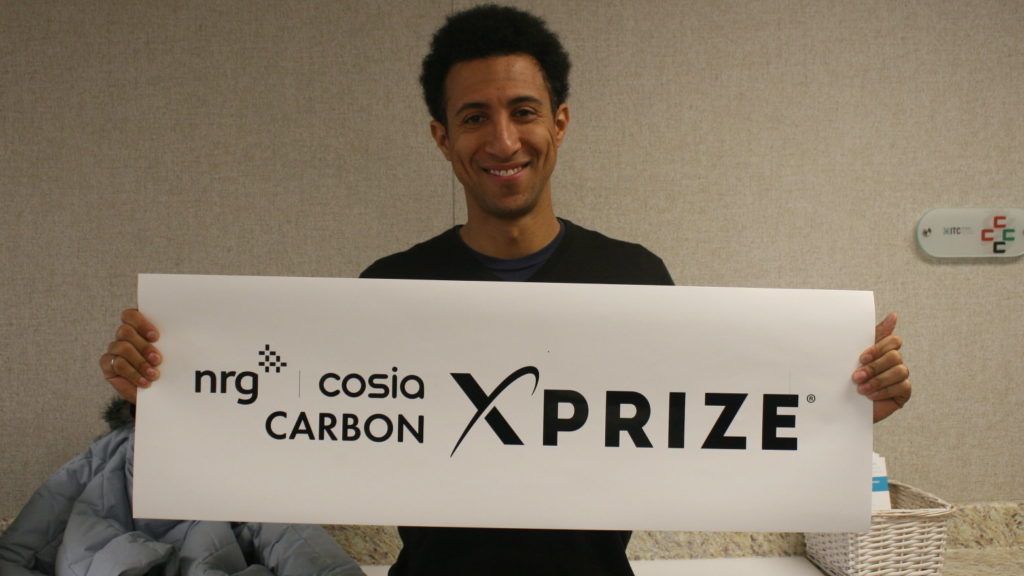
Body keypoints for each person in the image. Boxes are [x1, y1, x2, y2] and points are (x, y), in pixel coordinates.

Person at [100, 5, 912, 575]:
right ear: (441, 137)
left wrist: (839, 412)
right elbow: (280, 423)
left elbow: (713, 426)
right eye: (475, 117)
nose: (503, 139)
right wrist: (158, 392)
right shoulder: (389, 291)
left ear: (561, 121)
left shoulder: (637, 280)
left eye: (523, 112)